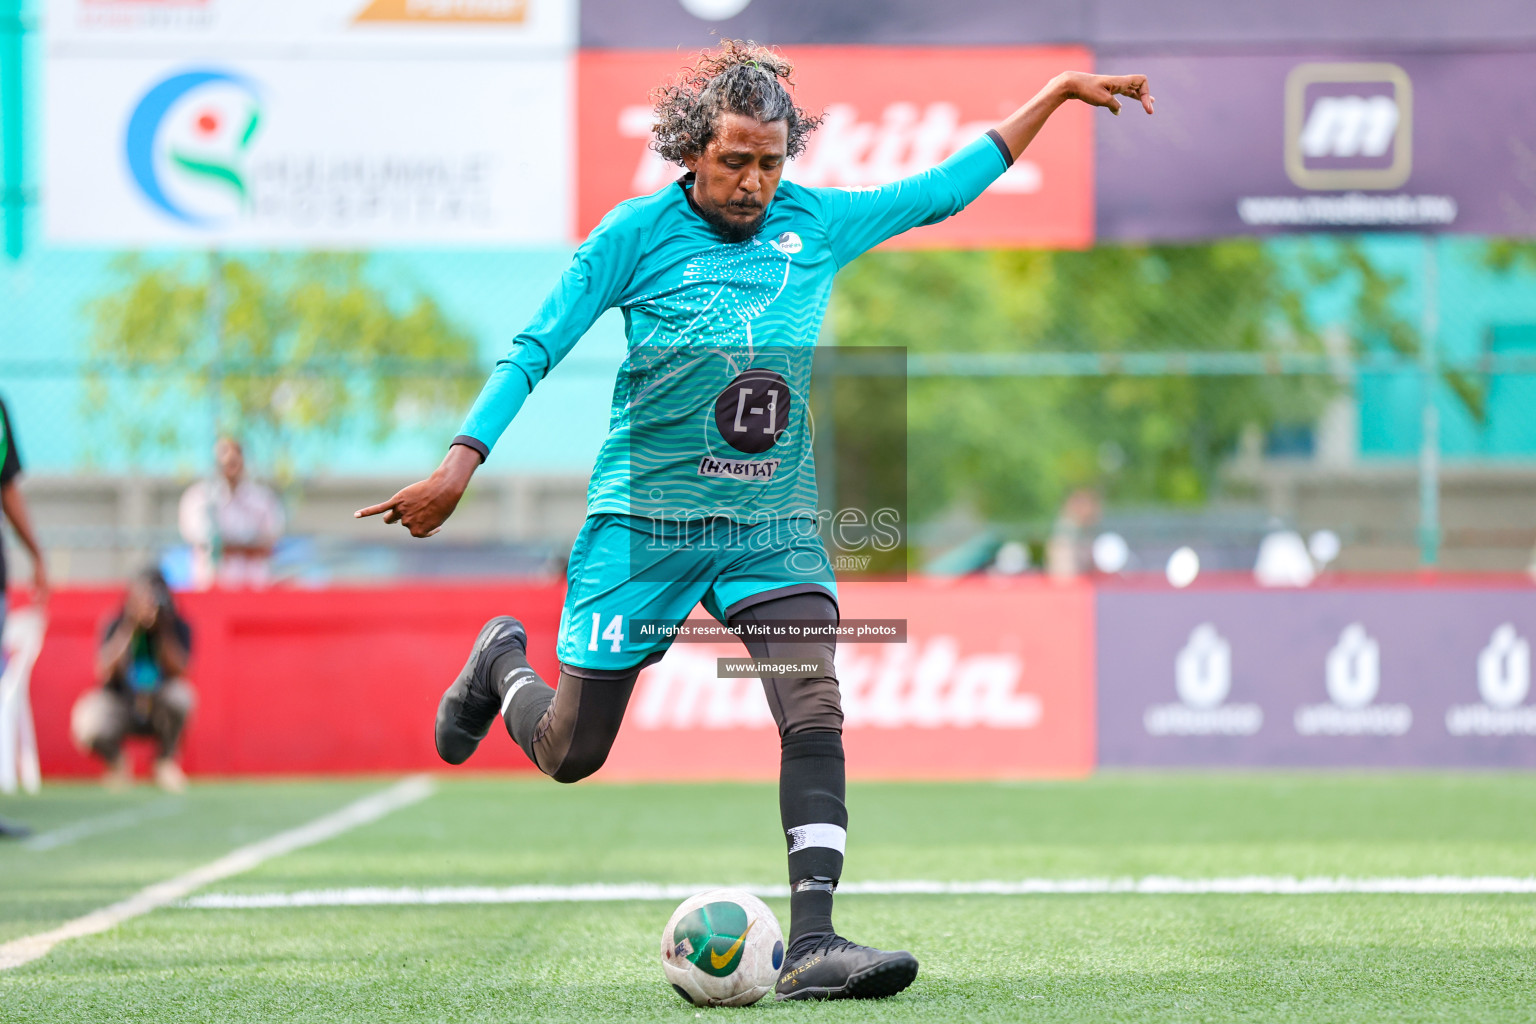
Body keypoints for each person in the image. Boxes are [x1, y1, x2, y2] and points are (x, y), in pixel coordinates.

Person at [357, 41, 1153, 1002]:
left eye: (771, 162)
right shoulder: (632, 235)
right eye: (735, 160)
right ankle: (500, 661)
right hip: (643, 524)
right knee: (574, 753)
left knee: (812, 703)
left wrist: (1057, 93)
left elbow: (945, 188)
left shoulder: (810, 225)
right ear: (692, 150)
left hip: (768, 527)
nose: (753, 181)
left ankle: (813, 942)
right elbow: (533, 349)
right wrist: (459, 462)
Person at [70, 568, 195, 792]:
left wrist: (162, 629)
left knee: (182, 696)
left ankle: (165, 761)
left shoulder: (176, 625)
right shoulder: (117, 623)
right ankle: (117, 763)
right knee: (88, 720)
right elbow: (105, 671)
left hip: (158, 705)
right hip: (121, 702)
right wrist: (131, 626)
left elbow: (181, 671)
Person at [178, 437, 284, 590]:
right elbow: (201, 540)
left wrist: (231, 546)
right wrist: (242, 547)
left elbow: (269, 542)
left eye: (236, 454)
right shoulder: (199, 497)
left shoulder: (263, 499)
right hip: (211, 587)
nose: (230, 460)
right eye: (224, 453)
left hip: (254, 587)